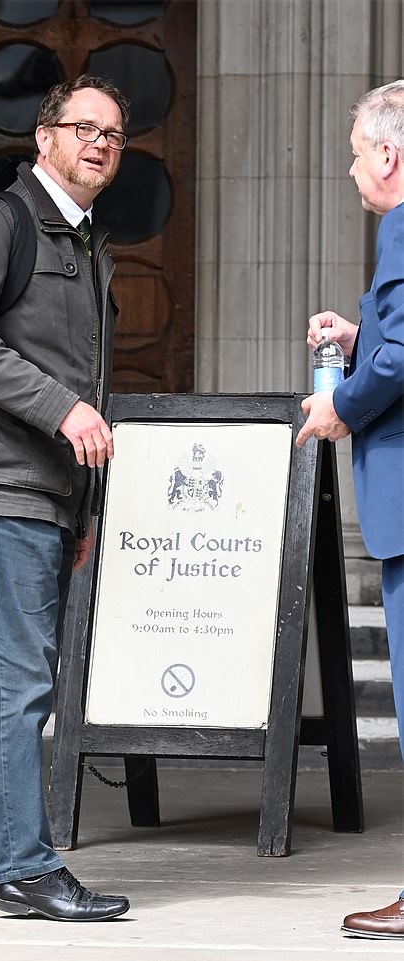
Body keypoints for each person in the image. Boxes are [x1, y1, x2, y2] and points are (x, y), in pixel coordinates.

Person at [0, 75, 131, 921]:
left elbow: (82, 371)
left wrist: (82, 508)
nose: (100, 143)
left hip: (45, 492)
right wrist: (63, 409)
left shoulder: (84, 238)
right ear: (43, 137)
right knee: (18, 684)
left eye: (115, 135)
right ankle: (26, 867)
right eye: (83, 127)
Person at [296, 79, 404, 940]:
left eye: (358, 152)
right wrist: (362, 337)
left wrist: (344, 403)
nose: (350, 168)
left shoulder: (403, 223)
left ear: (390, 154)